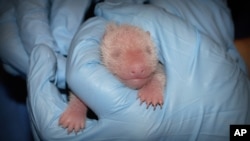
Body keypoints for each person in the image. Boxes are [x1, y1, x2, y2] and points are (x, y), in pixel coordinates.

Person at [0, 0, 249, 140]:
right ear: (102, 50)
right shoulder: (97, 52)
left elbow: (160, 73)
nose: (138, 66)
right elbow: (82, 90)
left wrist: (239, 130)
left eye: (147, 53)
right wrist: (77, 108)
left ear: (154, 45)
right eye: (118, 55)